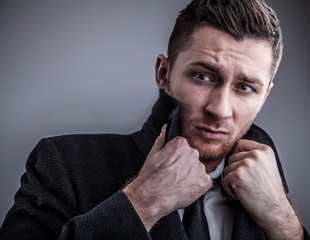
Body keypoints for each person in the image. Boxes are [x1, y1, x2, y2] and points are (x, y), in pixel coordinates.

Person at [0, 0, 309, 239]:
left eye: (245, 88)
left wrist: (282, 221)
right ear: (164, 73)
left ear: (263, 97)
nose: (220, 109)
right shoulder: (64, 165)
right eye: (203, 76)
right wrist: (142, 202)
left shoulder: (271, 185)